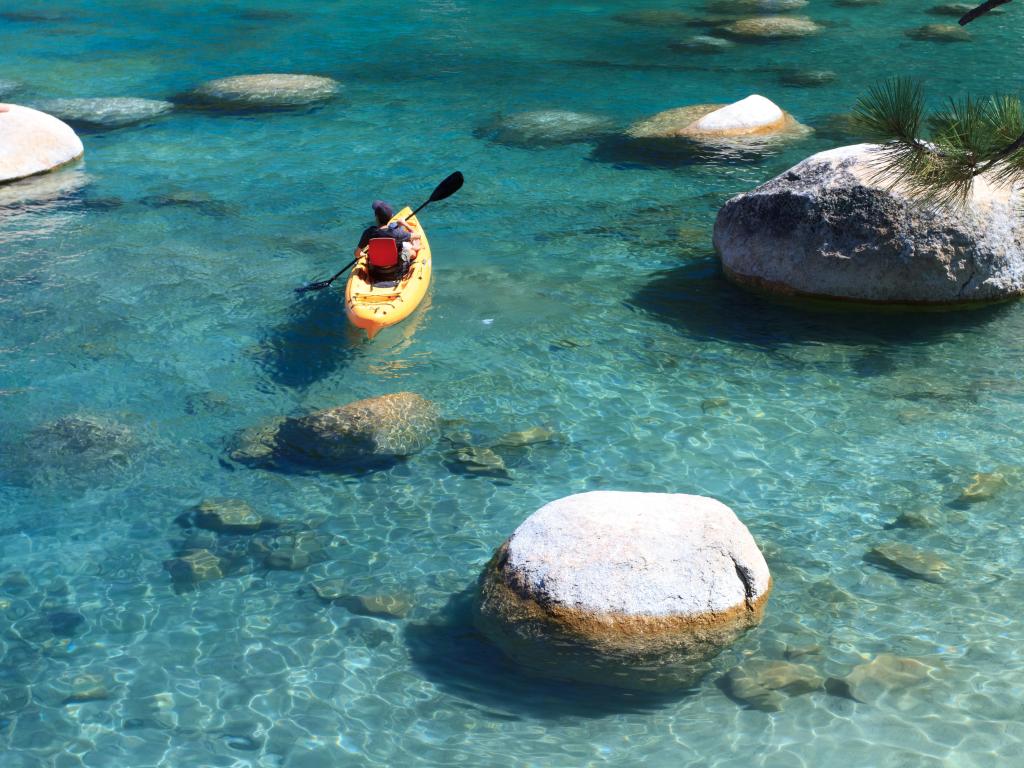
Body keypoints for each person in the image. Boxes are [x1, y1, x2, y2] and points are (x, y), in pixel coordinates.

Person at [354, 200, 421, 282]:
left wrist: (364, 255)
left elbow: (357, 254)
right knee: (412, 252)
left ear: (376, 217)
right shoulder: (397, 233)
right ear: (391, 217)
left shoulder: (369, 232)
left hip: (375, 272)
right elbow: (418, 235)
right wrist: (404, 224)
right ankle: (415, 248)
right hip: (396, 272)